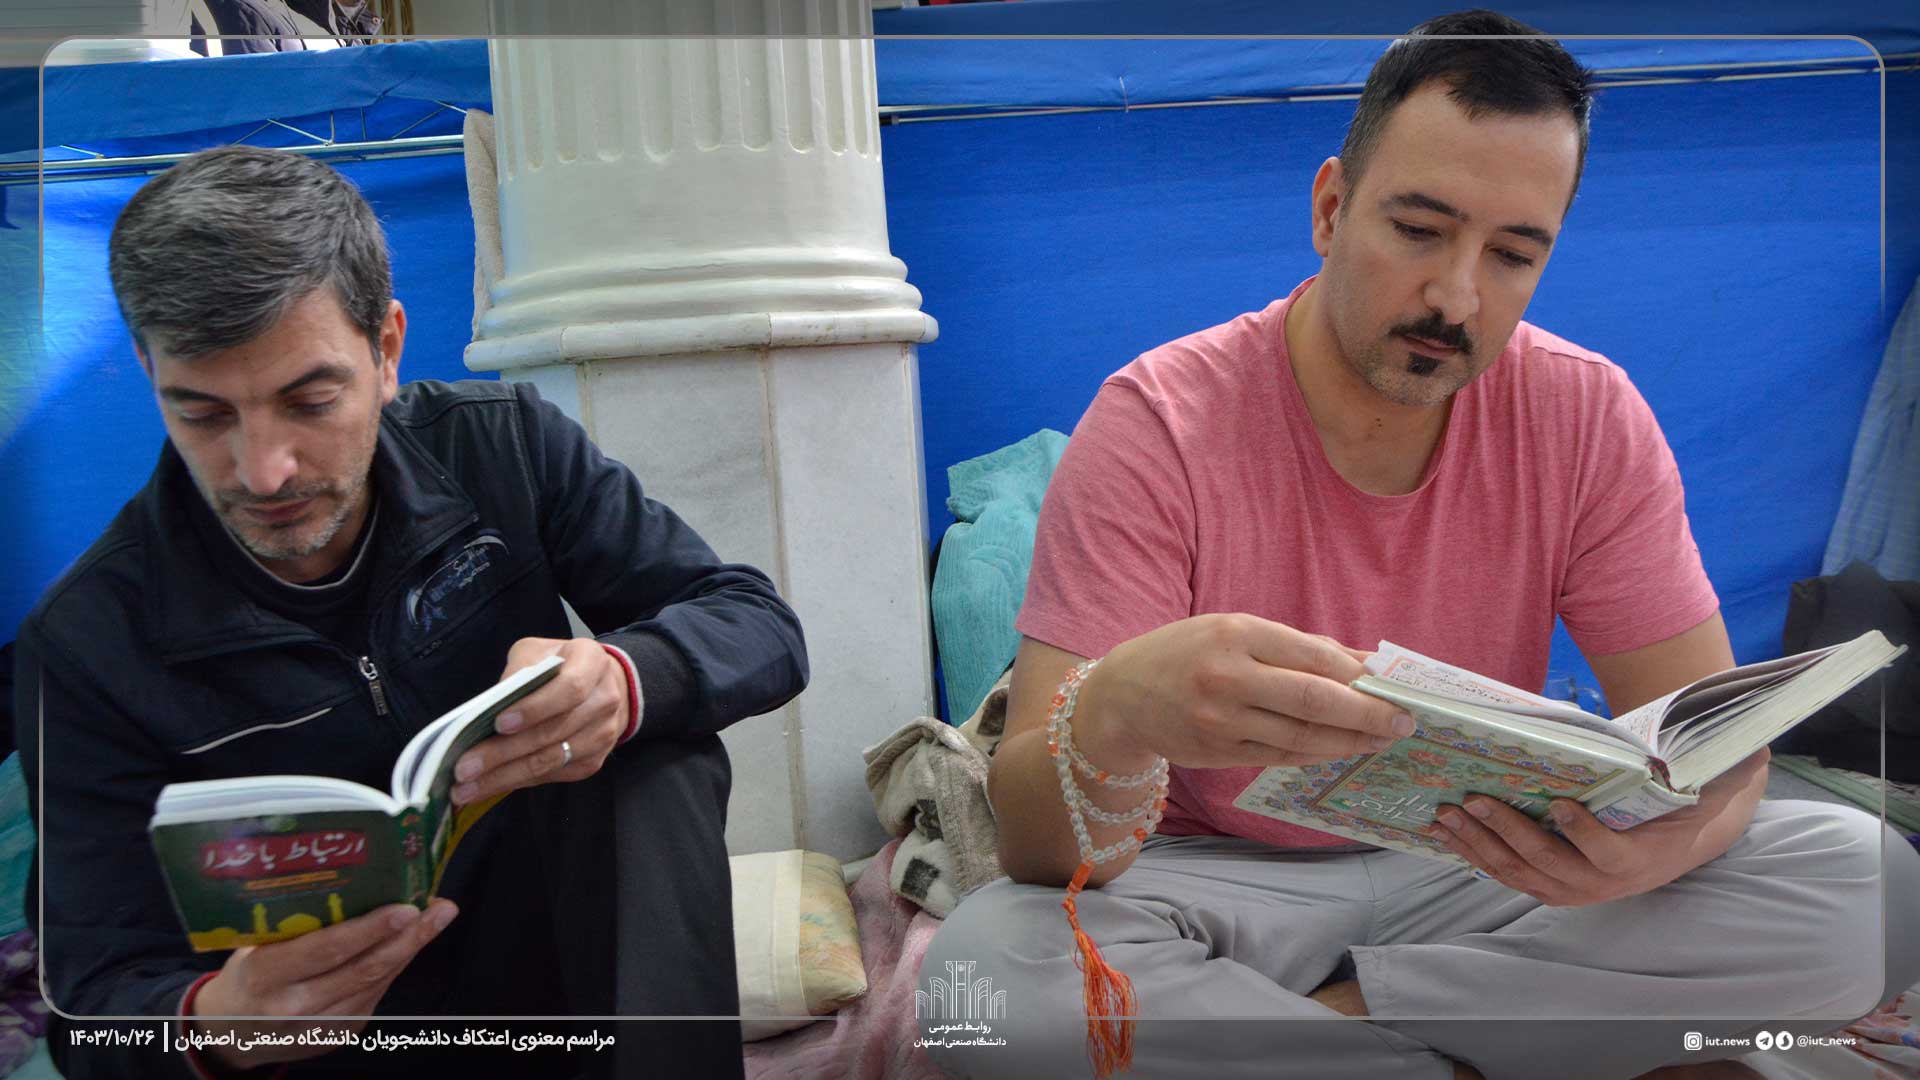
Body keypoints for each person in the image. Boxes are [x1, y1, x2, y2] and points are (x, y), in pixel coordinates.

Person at [922, 10, 1920, 1080]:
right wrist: (1117, 713)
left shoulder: (1587, 415)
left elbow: (1720, 753)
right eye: (1418, 230)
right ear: (1330, 208)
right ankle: (1494, 1046)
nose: (1456, 297)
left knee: (1875, 885)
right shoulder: (1158, 422)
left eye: (1513, 254)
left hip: (1489, 874)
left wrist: (1657, 850)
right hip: (1214, 888)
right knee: (983, 981)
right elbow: (1042, 852)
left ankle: (1339, 1031)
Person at [13, 145, 810, 1079]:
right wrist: (215, 1025)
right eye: (203, 415)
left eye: (310, 401)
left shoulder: (505, 449)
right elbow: (87, 1006)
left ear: (386, 349)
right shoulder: (85, 642)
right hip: (321, 1051)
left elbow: (756, 621)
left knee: (650, 749)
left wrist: (624, 682)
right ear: (148, 370)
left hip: (561, 987)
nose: (263, 470)